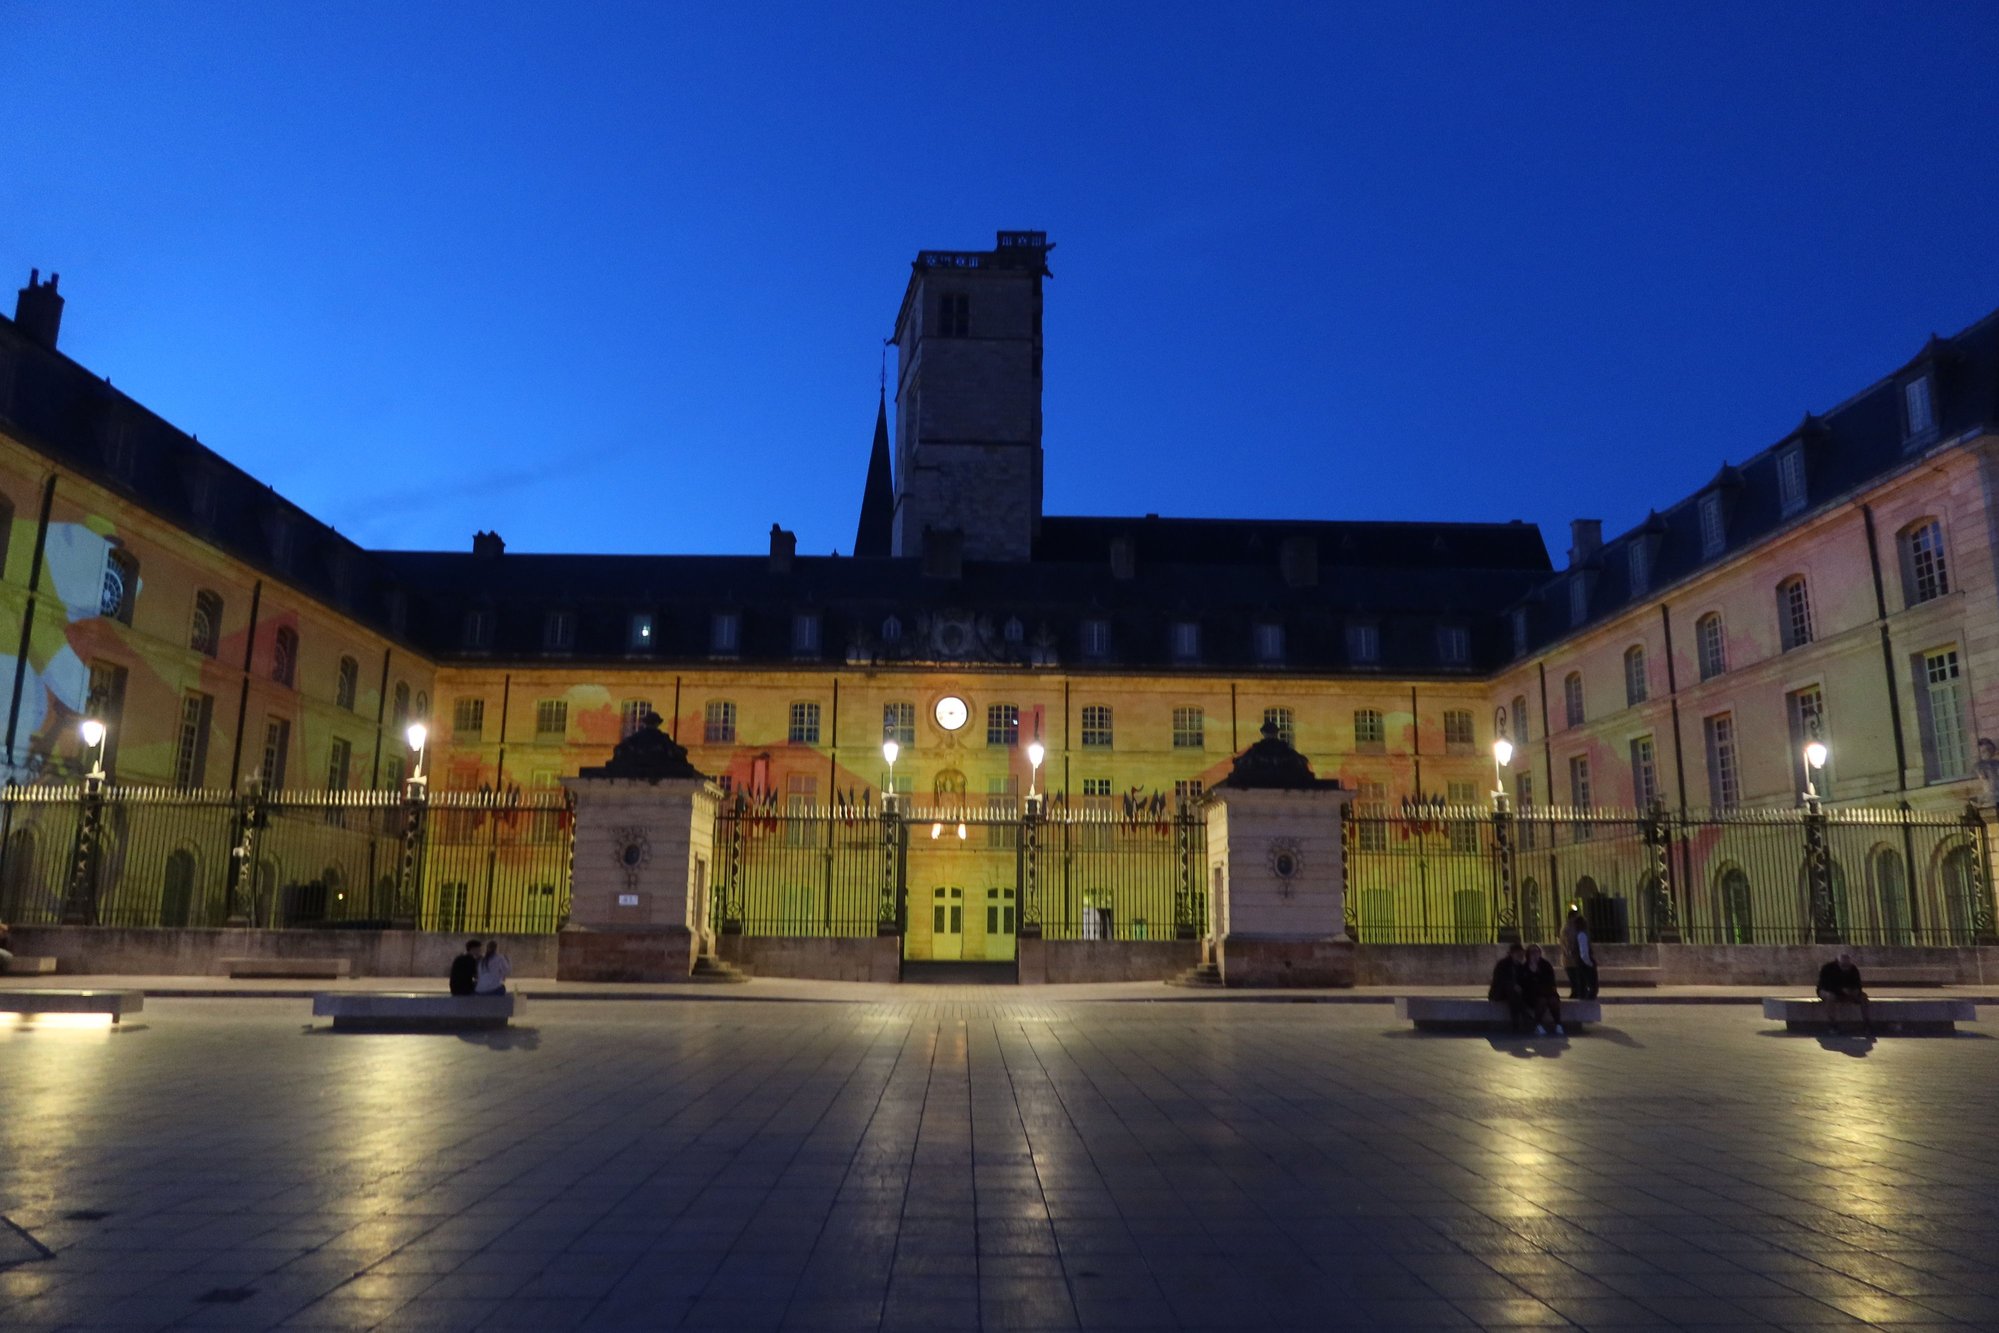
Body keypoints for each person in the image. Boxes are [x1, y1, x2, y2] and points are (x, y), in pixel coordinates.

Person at [1815, 951, 1873, 1034]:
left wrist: (1856, 991)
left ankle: (1866, 1023)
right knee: (1830, 997)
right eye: (1843, 966)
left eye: (1847, 966)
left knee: (1864, 997)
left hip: (1847, 991)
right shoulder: (1828, 968)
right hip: (1828, 990)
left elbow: (1858, 984)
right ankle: (1832, 1024)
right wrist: (1841, 990)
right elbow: (1826, 985)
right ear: (1838, 962)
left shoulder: (1853, 969)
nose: (1846, 968)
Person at [1522, 944, 1565, 1036]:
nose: (1535, 955)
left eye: (1537, 952)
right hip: (1532, 995)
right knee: (1541, 1001)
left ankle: (1558, 1024)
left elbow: (1550, 981)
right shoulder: (1525, 967)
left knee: (1553, 1001)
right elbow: (1525, 984)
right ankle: (1538, 1024)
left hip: (1547, 992)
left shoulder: (1545, 965)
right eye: (1532, 952)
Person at [1487, 943, 1529, 1030]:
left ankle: (1517, 1022)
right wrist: (1514, 985)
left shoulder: (1521, 966)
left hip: (1513, 994)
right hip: (1499, 992)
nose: (1520, 956)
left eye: (1521, 954)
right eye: (1518, 954)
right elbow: (1500, 980)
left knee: (1514, 995)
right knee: (1511, 989)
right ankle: (1524, 1014)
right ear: (1511, 954)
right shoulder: (1502, 964)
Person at [1559, 908, 1587, 998]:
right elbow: (1567, 942)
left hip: (1573, 957)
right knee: (1574, 977)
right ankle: (1576, 992)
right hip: (1571, 958)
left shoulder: (1573, 927)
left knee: (1576, 977)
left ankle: (1577, 992)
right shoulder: (1568, 928)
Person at [1574, 917, 1598, 1000]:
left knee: (1582, 983)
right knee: (1591, 984)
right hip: (1585, 962)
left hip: (1581, 961)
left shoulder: (1578, 934)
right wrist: (1590, 963)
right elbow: (1584, 952)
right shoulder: (1582, 935)